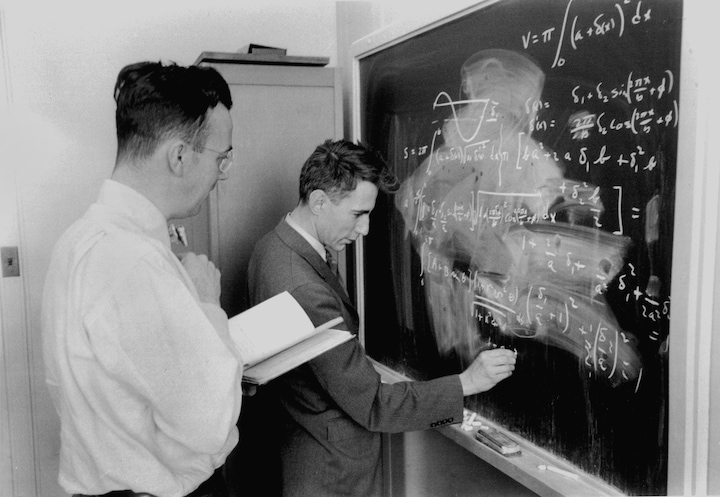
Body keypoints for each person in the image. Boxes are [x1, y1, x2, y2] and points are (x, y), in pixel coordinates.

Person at [247, 139, 516, 497]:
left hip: (302, 450)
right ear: (318, 202)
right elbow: (373, 405)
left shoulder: (272, 247)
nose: (365, 230)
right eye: (358, 214)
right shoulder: (305, 289)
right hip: (330, 474)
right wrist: (466, 383)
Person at [41, 61, 244, 497]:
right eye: (221, 158)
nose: (221, 175)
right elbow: (209, 425)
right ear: (178, 156)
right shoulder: (135, 262)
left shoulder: (75, 242)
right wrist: (208, 305)